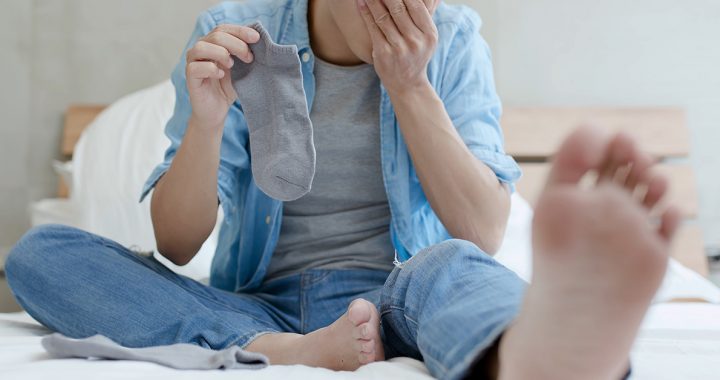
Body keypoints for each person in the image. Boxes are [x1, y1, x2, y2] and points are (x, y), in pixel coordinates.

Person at [5, 0, 681, 379]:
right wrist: (206, 126)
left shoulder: (452, 41)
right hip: (259, 303)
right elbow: (178, 246)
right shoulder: (239, 33)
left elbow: (483, 230)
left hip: (400, 297)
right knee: (43, 255)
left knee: (458, 267)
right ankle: (290, 353)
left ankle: (531, 354)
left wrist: (410, 84)